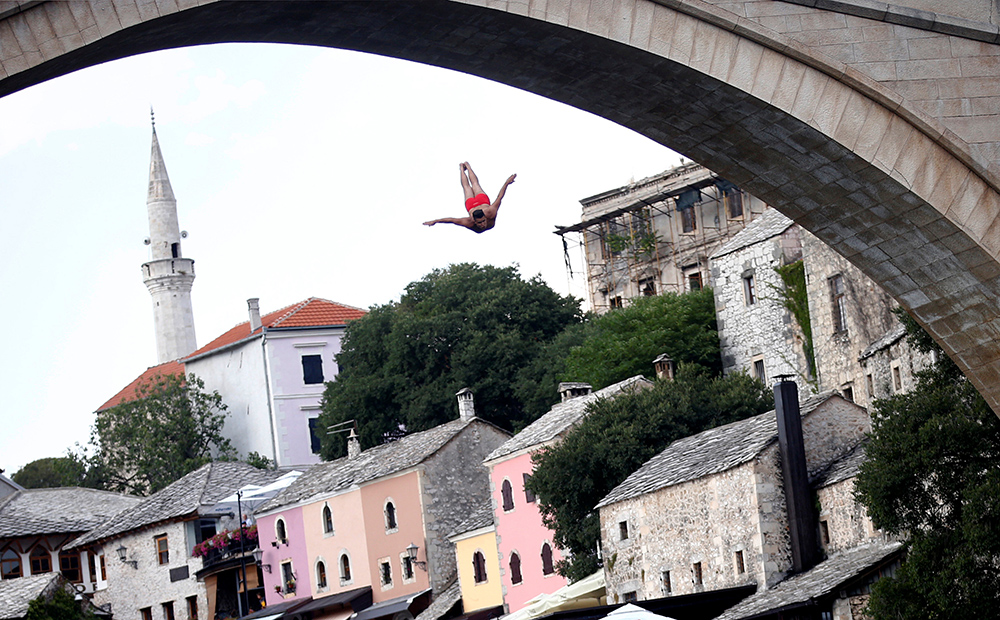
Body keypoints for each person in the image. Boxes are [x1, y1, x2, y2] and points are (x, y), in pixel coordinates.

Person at [424, 162, 516, 233]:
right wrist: (435, 221)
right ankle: (461, 169)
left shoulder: (490, 212)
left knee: (474, 184)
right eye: (479, 222)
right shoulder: (469, 222)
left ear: (485, 217)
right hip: (474, 204)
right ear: (474, 221)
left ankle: (467, 167)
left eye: (483, 221)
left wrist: (507, 183)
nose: (482, 224)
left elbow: (500, 197)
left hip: (479, 201)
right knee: (466, 187)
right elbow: (452, 220)